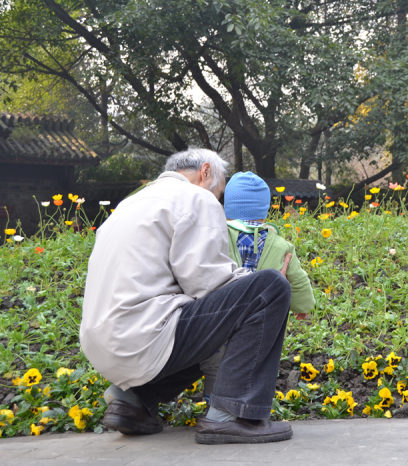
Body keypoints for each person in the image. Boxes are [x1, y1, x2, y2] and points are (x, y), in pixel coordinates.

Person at [81, 148, 294, 444]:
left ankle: (133, 400)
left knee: (198, 317)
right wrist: (259, 282)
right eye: (219, 193)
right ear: (205, 172)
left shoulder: (129, 204)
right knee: (270, 288)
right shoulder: (196, 197)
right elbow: (209, 282)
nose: (217, 201)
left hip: (103, 346)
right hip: (145, 336)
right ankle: (231, 415)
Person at [199, 172, 315, 403]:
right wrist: (304, 305)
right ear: (265, 210)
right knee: (251, 363)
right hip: (257, 320)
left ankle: (213, 405)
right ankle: (241, 405)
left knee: (215, 364)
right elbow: (297, 278)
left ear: (227, 206)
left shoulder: (217, 234)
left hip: (220, 317)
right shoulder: (281, 245)